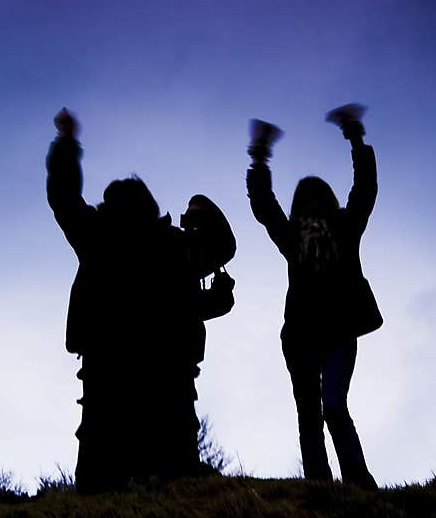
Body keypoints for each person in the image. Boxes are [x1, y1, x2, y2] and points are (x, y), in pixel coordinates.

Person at [46, 108, 234, 492]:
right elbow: (192, 293)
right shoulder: (170, 245)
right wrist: (218, 297)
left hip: (111, 367)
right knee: (173, 468)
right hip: (164, 372)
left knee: (101, 468)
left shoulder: (98, 236)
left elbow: (63, 198)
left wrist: (66, 143)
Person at [246, 105, 381, 490]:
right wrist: (258, 158)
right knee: (313, 412)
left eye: (312, 198)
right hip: (304, 334)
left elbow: (365, 190)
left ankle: (355, 481)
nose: (309, 205)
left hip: (335, 332)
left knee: (332, 408)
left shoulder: (343, 227)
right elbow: (264, 207)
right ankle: (322, 487)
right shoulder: (294, 236)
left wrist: (356, 138)